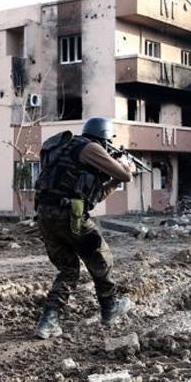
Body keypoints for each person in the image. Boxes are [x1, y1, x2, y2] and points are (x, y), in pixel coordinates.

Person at [33, 116, 137, 340]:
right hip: (69, 216)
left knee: (69, 270)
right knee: (101, 256)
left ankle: (47, 322)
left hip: (45, 214)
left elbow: (94, 195)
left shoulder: (66, 148)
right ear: (105, 138)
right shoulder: (90, 148)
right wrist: (126, 166)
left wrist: (113, 182)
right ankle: (109, 307)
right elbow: (126, 175)